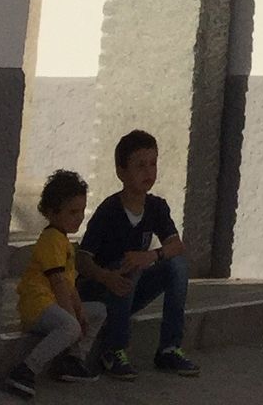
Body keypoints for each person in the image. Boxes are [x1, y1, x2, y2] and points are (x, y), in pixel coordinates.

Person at [77, 130, 198, 380]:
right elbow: (82, 258)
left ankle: (169, 348)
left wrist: (152, 255)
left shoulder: (156, 207)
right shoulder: (109, 210)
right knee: (129, 263)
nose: (148, 172)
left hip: (130, 289)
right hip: (99, 290)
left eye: (153, 164)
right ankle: (113, 349)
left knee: (176, 265)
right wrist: (105, 276)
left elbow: (177, 246)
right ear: (121, 172)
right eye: (140, 165)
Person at [6, 169, 105, 394]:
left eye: (81, 211)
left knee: (98, 311)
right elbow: (58, 282)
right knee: (71, 326)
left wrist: (79, 310)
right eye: (72, 212)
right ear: (52, 212)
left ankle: (73, 360)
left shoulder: (64, 241)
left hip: (53, 306)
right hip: (38, 307)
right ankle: (26, 369)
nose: (79, 217)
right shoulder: (51, 239)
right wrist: (73, 318)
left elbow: (70, 285)